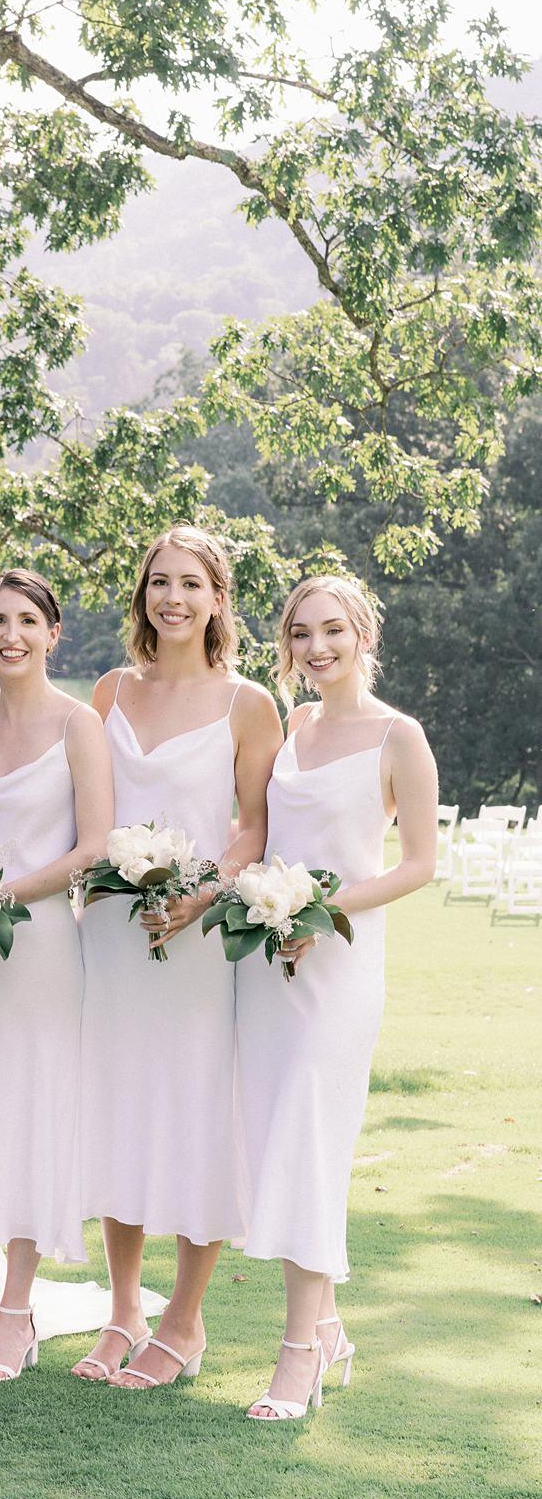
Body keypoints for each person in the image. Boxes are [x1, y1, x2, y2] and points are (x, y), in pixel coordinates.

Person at [75, 526, 283, 1390]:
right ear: (141, 596)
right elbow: (81, 809)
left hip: (198, 939)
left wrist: (204, 893)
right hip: (112, 938)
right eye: (158, 582)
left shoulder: (247, 703)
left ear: (217, 599)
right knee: (117, 1111)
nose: (172, 598)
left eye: (190, 584)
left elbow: (256, 824)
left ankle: (184, 1321)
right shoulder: (109, 691)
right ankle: (123, 1308)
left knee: (196, 1115)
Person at [237, 576, 436, 1420]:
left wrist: (321, 909)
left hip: (338, 964)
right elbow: (268, 834)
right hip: (267, 961)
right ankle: (327, 1329)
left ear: (362, 634)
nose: (316, 648)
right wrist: (268, 905)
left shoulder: (400, 736)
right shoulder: (292, 726)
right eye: (300, 634)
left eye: (331, 632)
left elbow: (418, 863)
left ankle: (296, 1357)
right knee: (272, 1138)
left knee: (308, 1143)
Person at [0, 568, 112, 1384]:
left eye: (25, 621)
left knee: (25, 1116)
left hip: (40, 946)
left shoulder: (79, 725)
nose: (9, 635)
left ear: (52, 633)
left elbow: (92, 848)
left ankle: (17, 1310)